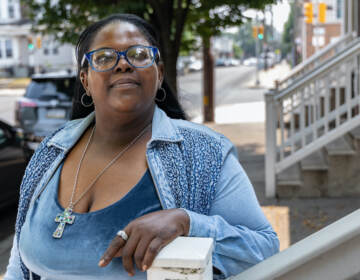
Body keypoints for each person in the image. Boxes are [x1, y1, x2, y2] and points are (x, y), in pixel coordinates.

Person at [5, 13, 279, 280]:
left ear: (159, 73)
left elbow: (264, 249)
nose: (122, 64)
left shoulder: (203, 153)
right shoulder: (50, 152)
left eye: (138, 55)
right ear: (86, 80)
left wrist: (187, 223)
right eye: (104, 58)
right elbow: (20, 262)